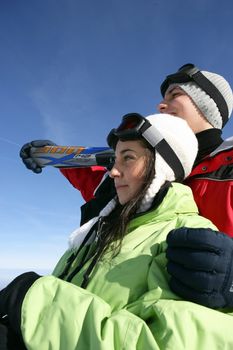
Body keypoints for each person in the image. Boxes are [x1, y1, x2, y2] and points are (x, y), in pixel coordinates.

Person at [2, 113, 233, 349]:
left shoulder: (190, 239)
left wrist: (31, 302)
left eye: (128, 158)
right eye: (115, 161)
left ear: (162, 167)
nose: (113, 172)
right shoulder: (103, 227)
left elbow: (159, 341)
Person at [20, 63, 233, 309]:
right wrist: (56, 158)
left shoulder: (227, 167)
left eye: (175, 95)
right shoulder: (142, 169)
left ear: (209, 105)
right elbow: (103, 181)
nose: (161, 105)